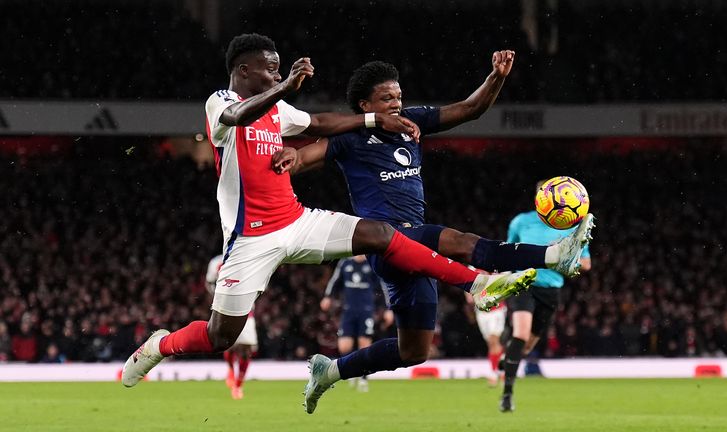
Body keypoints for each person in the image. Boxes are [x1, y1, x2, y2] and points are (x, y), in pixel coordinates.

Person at [121, 33, 537, 394]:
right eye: (270, 69)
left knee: (378, 233)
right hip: (252, 238)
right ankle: (160, 345)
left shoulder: (278, 111)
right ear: (243, 70)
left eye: (279, 68)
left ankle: (476, 284)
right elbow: (237, 116)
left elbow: (319, 122)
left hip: (297, 221)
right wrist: (284, 86)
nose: (275, 74)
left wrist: (377, 120)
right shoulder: (221, 103)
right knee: (220, 336)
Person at [272, 54, 595, 413]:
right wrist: (291, 157)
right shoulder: (350, 137)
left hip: (418, 253)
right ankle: (552, 255)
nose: (396, 103)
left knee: (413, 351)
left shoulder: (414, 121)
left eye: (398, 96)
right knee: (464, 243)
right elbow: (305, 156)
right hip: (386, 242)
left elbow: (470, 109)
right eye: (386, 98)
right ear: (365, 105)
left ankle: (329, 371)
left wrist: (496, 77)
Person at [498, 183, 592, 413]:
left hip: (551, 290)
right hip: (524, 283)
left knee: (527, 346)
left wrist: (560, 256)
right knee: (521, 334)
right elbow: (506, 251)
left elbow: (586, 264)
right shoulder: (521, 221)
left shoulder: (572, 228)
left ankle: (508, 354)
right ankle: (507, 394)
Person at [321, 255, 394, 392]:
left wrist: (387, 309)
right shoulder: (345, 263)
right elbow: (335, 281)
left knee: (364, 345)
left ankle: (364, 378)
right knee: (344, 346)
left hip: (366, 311)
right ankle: (352, 370)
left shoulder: (371, 264)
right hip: (348, 311)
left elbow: (382, 287)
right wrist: (328, 297)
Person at [206, 254, 258, 400]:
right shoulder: (216, 262)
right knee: (228, 344)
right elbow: (209, 283)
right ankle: (230, 368)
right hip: (224, 308)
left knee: (246, 348)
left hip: (246, 309)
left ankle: (238, 385)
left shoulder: (248, 257)